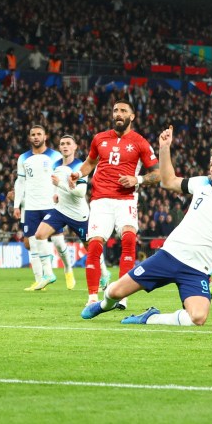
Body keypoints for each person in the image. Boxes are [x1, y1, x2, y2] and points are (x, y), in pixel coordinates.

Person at [81, 129, 212, 325]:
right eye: (211, 164)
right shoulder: (202, 183)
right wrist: (164, 148)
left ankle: (150, 318)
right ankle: (103, 305)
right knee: (115, 292)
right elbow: (168, 182)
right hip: (168, 256)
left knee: (198, 318)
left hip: (197, 270)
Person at [71, 100, 159, 308]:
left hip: (126, 200)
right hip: (100, 200)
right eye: (115, 110)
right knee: (94, 246)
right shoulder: (99, 139)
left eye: (123, 111)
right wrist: (77, 173)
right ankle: (92, 297)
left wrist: (137, 180)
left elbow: (157, 174)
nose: (118, 114)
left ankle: (122, 295)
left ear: (132, 116)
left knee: (128, 240)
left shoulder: (140, 142)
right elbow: (90, 163)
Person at [33, 134, 98, 291]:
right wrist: (56, 192)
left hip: (78, 214)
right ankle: (48, 274)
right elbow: (56, 183)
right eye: (62, 143)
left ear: (75, 147)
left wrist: (60, 185)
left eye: (68, 143)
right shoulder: (56, 164)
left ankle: (103, 276)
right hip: (60, 209)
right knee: (39, 235)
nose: (65, 146)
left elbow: (80, 193)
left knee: (91, 248)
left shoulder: (80, 166)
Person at [14, 124, 65, 290]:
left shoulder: (55, 156)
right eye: (33, 134)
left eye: (39, 134)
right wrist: (16, 204)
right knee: (30, 243)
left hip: (51, 204)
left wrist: (61, 198)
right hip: (30, 205)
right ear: (29, 137)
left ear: (45, 136)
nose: (36, 137)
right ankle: (40, 280)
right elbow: (20, 182)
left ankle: (67, 269)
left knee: (57, 240)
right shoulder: (23, 158)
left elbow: (61, 177)